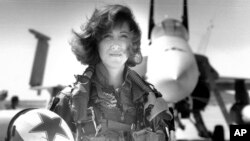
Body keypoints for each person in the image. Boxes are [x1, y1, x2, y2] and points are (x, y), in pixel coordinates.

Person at [48, 4, 174, 141]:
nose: (116, 45)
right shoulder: (68, 102)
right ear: (95, 44)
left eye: (123, 36)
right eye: (107, 37)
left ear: (132, 44)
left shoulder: (151, 101)